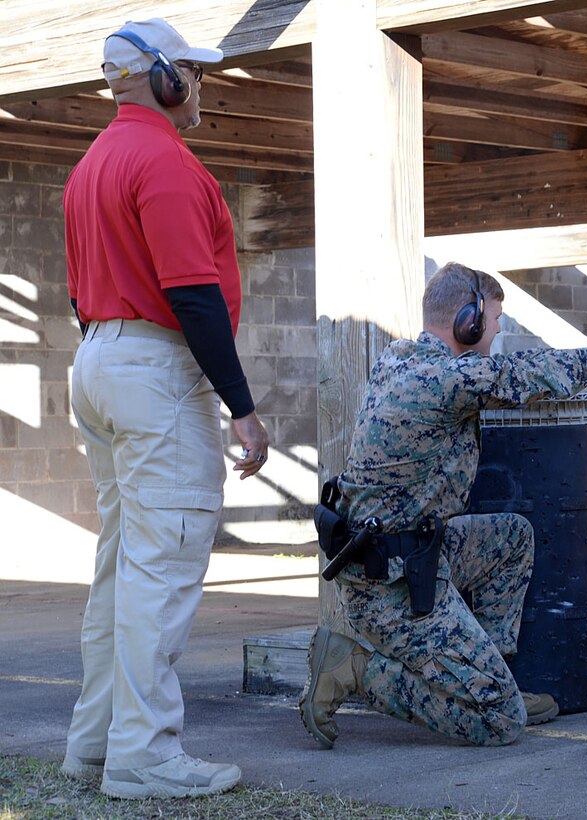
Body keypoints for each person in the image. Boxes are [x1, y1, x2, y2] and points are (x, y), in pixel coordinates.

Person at [300, 261, 587, 749]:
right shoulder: (445, 380)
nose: (495, 329)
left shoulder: (400, 358)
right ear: (465, 321)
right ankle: (354, 670)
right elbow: (529, 375)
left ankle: (493, 682)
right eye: (491, 319)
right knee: (501, 724)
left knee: (510, 537)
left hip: (409, 555)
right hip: (392, 590)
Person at [60, 18, 269, 799]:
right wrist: (240, 406)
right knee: (163, 567)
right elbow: (193, 294)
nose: (200, 83)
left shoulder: (93, 163)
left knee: (121, 568)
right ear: (163, 79)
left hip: (99, 356)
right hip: (154, 365)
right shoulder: (166, 163)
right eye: (191, 69)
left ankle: (96, 744)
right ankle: (144, 755)